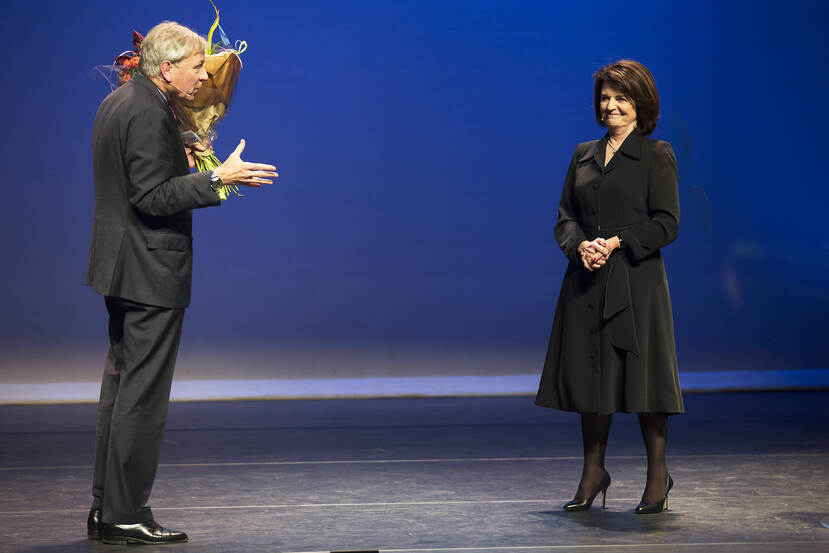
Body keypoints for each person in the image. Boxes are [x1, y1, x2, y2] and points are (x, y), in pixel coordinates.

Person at [85, 21, 278, 544]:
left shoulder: (121, 101)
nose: (204, 77)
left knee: (122, 391)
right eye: (197, 67)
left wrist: (187, 160)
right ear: (166, 68)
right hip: (148, 268)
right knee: (141, 398)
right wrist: (218, 178)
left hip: (121, 264)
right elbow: (152, 197)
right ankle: (125, 512)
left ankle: (108, 509)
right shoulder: (148, 111)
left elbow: (137, 182)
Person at [535, 59, 684, 514]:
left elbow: (667, 224)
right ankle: (593, 473)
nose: (611, 106)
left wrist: (618, 241)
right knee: (591, 376)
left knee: (642, 379)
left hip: (636, 284)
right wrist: (580, 246)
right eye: (605, 97)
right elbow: (565, 217)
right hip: (587, 280)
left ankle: (658, 476)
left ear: (641, 105)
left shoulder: (657, 154)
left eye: (621, 98)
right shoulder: (582, 153)